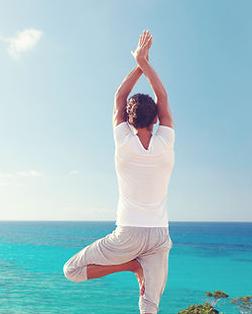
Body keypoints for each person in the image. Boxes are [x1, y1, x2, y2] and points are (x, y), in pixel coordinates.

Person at [62, 30, 175, 314]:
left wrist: (139, 62)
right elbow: (162, 95)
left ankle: (131, 266)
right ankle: (137, 266)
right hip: (160, 237)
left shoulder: (124, 143)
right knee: (149, 308)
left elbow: (119, 96)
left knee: (71, 270)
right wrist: (146, 62)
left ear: (128, 119)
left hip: (128, 235)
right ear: (156, 119)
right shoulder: (166, 142)